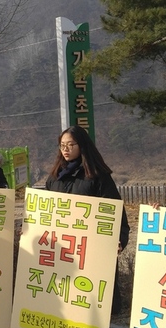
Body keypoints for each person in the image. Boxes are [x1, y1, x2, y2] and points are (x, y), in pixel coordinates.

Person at [44, 125, 130, 314]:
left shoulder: (98, 176)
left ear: (82, 146)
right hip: (64, 246)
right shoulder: (54, 178)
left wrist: (120, 238)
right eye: (62, 145)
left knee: (91, 296)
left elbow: (115, 212)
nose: (66, 149)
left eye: (71, 145)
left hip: (91, 246)